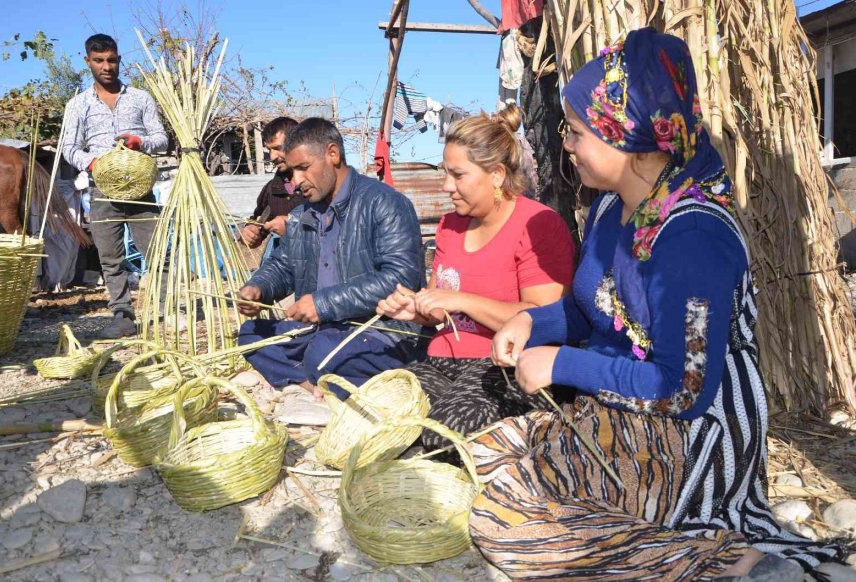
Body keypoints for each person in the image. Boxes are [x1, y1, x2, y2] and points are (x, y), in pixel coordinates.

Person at [472, 28, 843, 580]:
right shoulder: (606, 209)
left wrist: (562, 363)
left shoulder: (692, 236)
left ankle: (730, 561)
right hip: (616, 403)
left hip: (691, 433)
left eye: (575, 133)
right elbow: (593, 308)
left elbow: (683, 389)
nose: (566, 146)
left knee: (510, 523)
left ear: (627, 134)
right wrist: (533, 322)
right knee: (488, 457)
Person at [377, 104, 575, 450]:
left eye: (457, 174)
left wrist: (463, 300)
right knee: (379, 414)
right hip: (443, 358)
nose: (445, 185)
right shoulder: (450, 225)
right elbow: (440, 304)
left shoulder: (538, 225)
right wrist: (416, 307)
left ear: (496, 175)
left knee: (443, 435)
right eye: (444, 173)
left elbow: (545, 318)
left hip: (502, 366)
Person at [236, 118, 426, 398]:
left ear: (332, 154)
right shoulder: (304, 215)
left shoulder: (384, 203)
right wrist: (258, 288)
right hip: (321, 331)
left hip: (380, 330)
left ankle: (322, 378)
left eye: (303, 168)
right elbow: (284, 265)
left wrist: (323, 304)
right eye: (292, 170)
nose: (296, 181)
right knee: (250, 335)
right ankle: (313, 384)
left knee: (323, 353)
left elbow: (401, 278)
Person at [61, 33, 168, 339]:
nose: (106, 66)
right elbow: (69, 148)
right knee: (110, 258)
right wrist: (95, 163)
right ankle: (122, 315)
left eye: (111, 59)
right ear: (87, 62)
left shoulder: (141, 98)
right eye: (99, 61)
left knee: (158, 251)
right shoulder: (77, 105)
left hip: (140, 189)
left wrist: (140, 141)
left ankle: (166, 309)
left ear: (119, 59)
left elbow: (162, 138)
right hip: (101, 191)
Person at [239, 116, 304, 266]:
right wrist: (249, 234)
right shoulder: (272, 189)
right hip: (286, 273)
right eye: (269, 150)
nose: (272, 156)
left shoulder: (322, 184)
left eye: (277, 148)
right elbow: (257, 224)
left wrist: (294, 226)